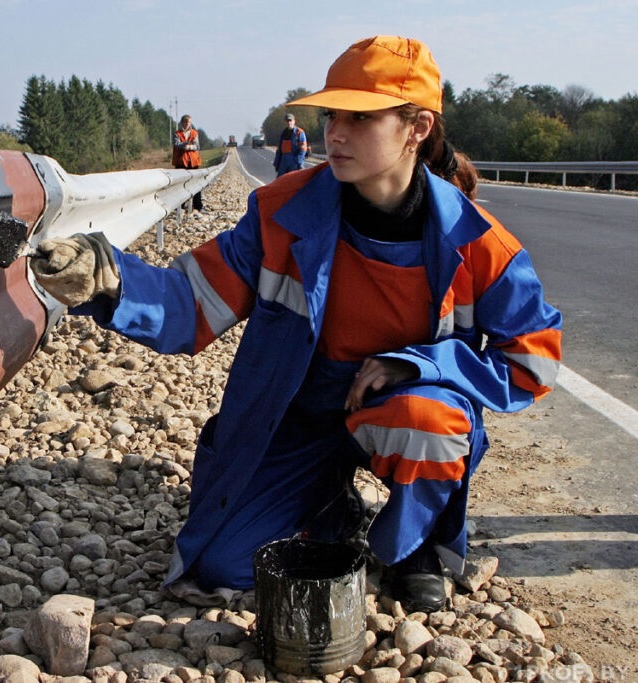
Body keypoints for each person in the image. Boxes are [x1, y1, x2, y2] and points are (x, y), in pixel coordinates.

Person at [29, 35, 562, 613]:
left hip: (403, 407)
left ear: (418, 128)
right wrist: (112, 280)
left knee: (428, 421)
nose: (335, 132)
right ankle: (330, 506)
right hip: (299, 415)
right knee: (223, 568)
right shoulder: (282, 211)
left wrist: (422, 363)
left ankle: (416, 549)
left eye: (360, 118)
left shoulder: (479, 242)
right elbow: (194, 299)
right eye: (333, 114)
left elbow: (533, 361)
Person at [172, 114, 203, 211]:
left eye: (188, 122)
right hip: (181, 162)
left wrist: (188, 147)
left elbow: (197, 146)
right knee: (181, 185)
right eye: (184, 122)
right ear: (182, 123)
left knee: (196, 184)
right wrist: (187, 144)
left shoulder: (194, 133)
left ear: (190, 123)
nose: (186, 124)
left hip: (193, 162)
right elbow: (177, 144)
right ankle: (180, 206)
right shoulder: (177, 133)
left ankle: (198, 206)